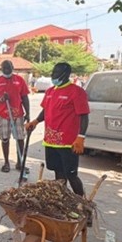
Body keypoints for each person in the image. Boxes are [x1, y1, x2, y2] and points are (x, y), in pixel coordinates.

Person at [26, 62, 90, 196]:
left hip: (68, 143)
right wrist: (36, 121)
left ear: (65, 74)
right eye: (53, 72)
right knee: (58, 174)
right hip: (50, 141)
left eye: (56, 73)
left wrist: (80, 137)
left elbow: (84, 116)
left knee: (71, 175)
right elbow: (46, 110)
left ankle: (82, 203)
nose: (53, 76)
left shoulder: (76, 92)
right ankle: (63, 199)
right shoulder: (50, 91)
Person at [0, 60, 30, 173]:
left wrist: (28, 113)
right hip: (3, 115)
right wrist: (1, 99)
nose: (7, 71)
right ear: (1, 69)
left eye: (9, 68)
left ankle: (20, 163)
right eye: (5, 69)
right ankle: (6, 163)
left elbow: (25, 98)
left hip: (18, 114)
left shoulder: (19, 80)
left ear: (13, 67)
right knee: (5, 138)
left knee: (20, 139)